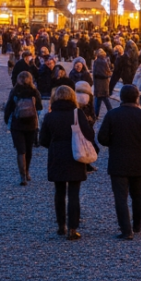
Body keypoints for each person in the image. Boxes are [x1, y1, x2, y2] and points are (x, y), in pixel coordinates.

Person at [97, 84, 141, 239]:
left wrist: (113, 141)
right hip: (138, 161)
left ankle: (126, 230)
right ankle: (137, 225)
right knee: (138, 195)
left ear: (121, 98)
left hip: (118, 160)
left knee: (120, 197)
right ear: (137, 97)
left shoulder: (112, 115)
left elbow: (102, 138)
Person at [38, 85, 99, 240]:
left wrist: (55, 144)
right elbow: (89, 134)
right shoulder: (77, 114)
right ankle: (73, 228)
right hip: (75, 155)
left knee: (59, 192)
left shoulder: (50, 116)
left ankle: (61, 226)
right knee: (74, 193)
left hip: (57, 155)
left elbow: (43, 140)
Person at [3, 71, 44, 186]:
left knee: (21, 151)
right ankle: (27, 171)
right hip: (31, 124)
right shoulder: (34, 92)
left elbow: (8, 108)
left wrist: (7, 121)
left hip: (17, 124)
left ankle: (22, 177)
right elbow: (40, 107)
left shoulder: (15, 91)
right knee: (29, 149)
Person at [93, 49, 114, 118]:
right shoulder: (103, 61)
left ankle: (96, 114)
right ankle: (109, 112)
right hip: (103, 83)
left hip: (99, 82)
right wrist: (109, 74)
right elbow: (107, 72)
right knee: (103, 98)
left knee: (100, 98)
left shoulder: (98, 61)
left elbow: (98, 72)